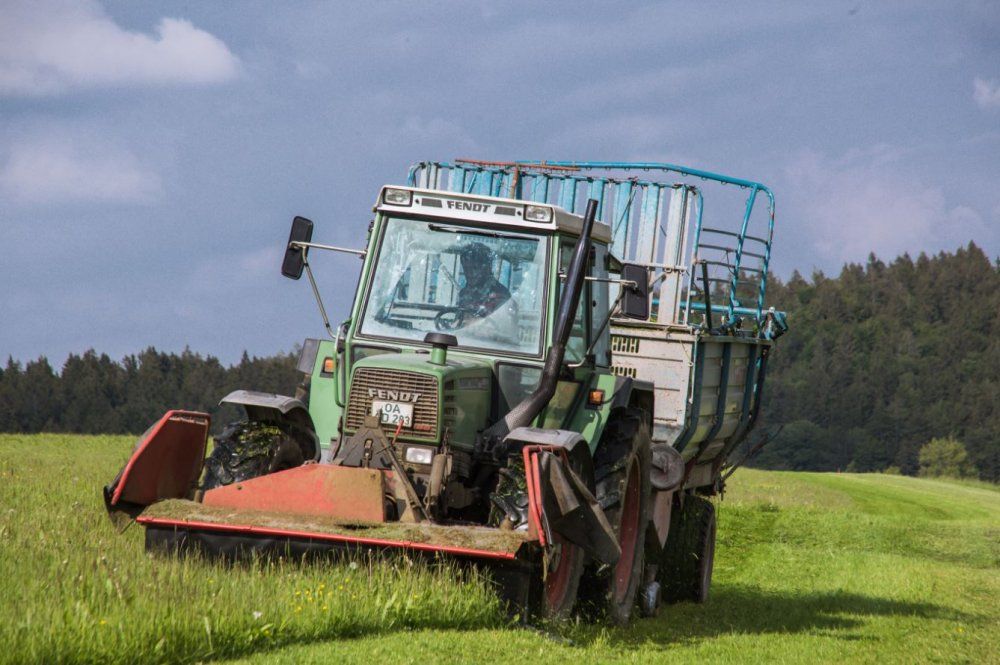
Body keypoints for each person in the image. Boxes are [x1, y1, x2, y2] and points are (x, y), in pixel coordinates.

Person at [457, 242, 511, 319]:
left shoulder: (500, 295)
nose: (469, 273)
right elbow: (459, 320)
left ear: (487, 267)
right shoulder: (464, 293)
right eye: (466, 268)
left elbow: (500, 324)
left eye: (475, 268)